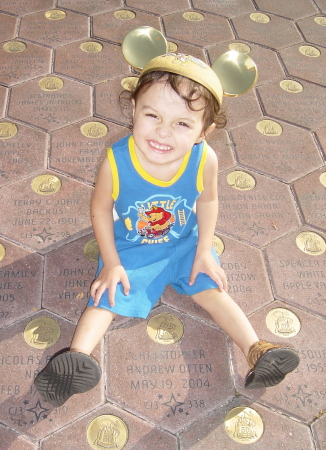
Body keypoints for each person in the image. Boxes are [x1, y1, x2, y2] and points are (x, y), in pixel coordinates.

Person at [35, 53, 299, 407]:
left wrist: (204, 249)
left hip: (184, 242)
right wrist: (112, 261)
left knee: (212, 290)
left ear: (205, 130)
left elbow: (207, 202)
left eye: (182, 124)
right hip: (133, 245)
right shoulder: (117, 160)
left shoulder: (205, 159)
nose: (163, 132)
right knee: (108, 295)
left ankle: (257, 349)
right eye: (152, 115)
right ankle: (76, 360)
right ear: (133, 109)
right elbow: (100, 209)